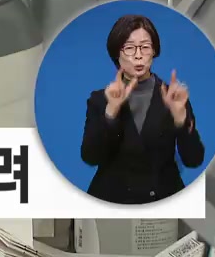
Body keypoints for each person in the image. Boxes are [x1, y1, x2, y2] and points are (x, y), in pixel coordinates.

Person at [80, 14, 204, 204]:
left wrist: (181, 119)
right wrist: (111, 113)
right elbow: (90, 157)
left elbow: (193, 159)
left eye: (145, 47)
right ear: (117, 53)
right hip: (112, 202)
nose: (138, 55)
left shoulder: (173, 96)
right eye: (130, 48)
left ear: (154, 51)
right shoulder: (99, 100)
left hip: (163, 200)